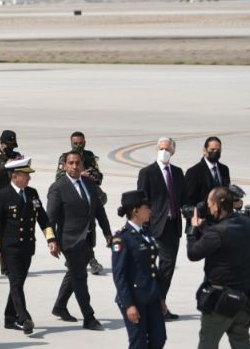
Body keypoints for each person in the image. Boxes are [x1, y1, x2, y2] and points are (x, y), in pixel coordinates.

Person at [0, 158, 58, 335]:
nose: (29, 179)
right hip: (9, 248)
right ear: (15, 176)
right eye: (26, 175)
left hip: (27, 247)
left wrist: (51, 239)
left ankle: (9, 318)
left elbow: (43, 219)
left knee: (18, 283)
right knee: (16, 282)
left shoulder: (32, 193)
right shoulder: (2, 195)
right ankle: (24, 317)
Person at [47, 150, 112, 330]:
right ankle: (89, 318)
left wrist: (108, 233)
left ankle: (59, 307)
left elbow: (99, 211)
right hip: (69, 240)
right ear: (65, 166)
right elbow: (49, 219)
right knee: (80, 277)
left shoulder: (90, 185)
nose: (74, 166)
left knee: (75, 273)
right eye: (71, 163)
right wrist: (51, 240)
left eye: (77, 163)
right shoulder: (58, 187)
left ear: (82, 165)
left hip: (87, 239)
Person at [187, 187, 250, 349]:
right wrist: (206, 228)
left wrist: (193, 230)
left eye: (210, 204)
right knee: (242, 341)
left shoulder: (217, 233)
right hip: (244, 297)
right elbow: (224, 241)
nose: (209, 208)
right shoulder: (246, 224)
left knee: (208, 343)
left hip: (220, 300)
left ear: (217, 207)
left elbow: (193, 253)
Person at [136, 137, 185, 320]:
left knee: (168, 267)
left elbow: (184, 198)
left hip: (173, 226)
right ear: (157, 149)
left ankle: (159, 303)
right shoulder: (147, 172)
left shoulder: (178, 173)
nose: (164, 151)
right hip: (154, 226)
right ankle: (155, 305)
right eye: (161, 148)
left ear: (172, 152)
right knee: (156, 266)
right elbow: (142, 199)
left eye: (167, 149)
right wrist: (143, 224)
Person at [111, 190, 166, 349]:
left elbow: (152, 267)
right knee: (139, 343)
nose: (150, 210)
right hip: (134, 298)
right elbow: (119, 274)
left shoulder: (147, 232)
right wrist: (129, 305)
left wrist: (161, 297)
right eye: (147, 207)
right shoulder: (122, 238)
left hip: (152, 295)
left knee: (159, 338)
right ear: (135, 210)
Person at [56, 131, 107, 275]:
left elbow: (99, 176)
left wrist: (90, 175)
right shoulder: (65, 157)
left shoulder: (89, 156)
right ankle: (88, 260)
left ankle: (80, 258)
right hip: (73, 197)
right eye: (75, 143)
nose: (78, 145)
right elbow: (59, 176)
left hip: (90, 196)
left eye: (81, 143)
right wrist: (79, 174)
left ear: (85, 142)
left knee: (90, 228)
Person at [184, 136, 230, 211]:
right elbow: (188, 202)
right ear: (204, 150)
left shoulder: (224, 169)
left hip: (221, 218)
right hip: (203, 219)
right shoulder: (193, 172)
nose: (215, 152)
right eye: (212, 149)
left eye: (218, 150)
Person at [0, 130, 21, 207]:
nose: (11, 148)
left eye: (12, 146)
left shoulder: (16, 155)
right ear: (1, 143)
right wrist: (5, 166)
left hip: (14, 194)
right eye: (8, 145)